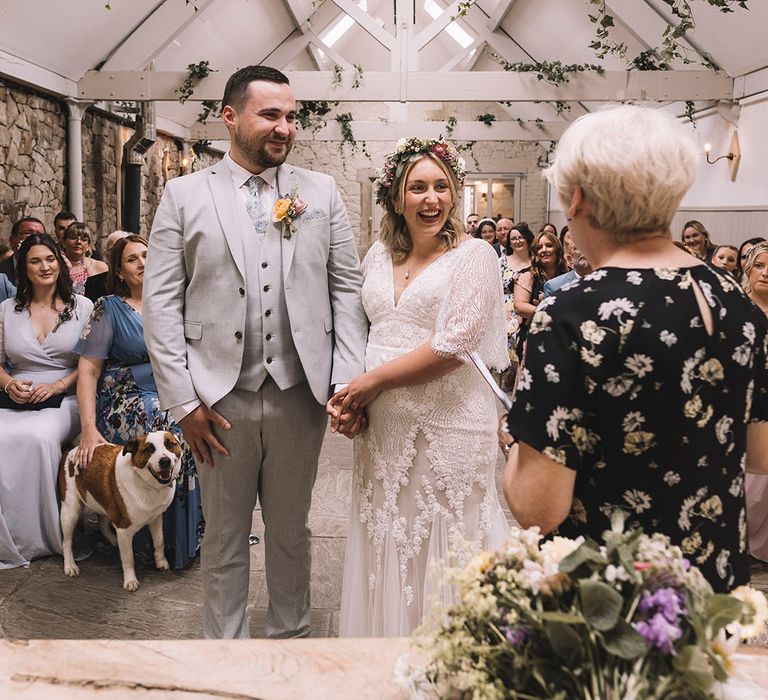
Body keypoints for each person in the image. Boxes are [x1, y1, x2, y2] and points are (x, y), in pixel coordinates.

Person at [501, 105, 768, 593]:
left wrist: (514, 443)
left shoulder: (569, 314)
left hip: (611, 598)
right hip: (712, 581)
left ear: (578, 198)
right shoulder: (735, 301)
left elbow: (539, 507)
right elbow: (761, 453)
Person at [142, 65, 368, 640]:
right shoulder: (183, 195)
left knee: (293, 531)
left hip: (301, 396)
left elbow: (346, 289)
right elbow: (161, 303)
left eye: (291, 116)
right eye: (270, 114)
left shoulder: (319, 193)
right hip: (219, 401)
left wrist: (345, 381)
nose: (285, 127)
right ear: (230, 117)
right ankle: (228, 658)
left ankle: (291, 647)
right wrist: (184, 403)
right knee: (223, 536)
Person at [330, 138, 509, 637]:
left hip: (451, 422)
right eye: (418, 187)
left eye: (441, 187)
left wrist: (369, 383)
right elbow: (363, 330)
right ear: (396, 197)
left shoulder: (475, 256)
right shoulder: (378, 253)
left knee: (447, 535)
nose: (431, 199)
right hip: (384, 424)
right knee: (387, 527)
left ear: (455, 195)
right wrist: (351, 395)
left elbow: (454, 345)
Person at [75, 235, 203, 569]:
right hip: (126, 397)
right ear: (118, 271)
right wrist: (88, 428)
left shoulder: (173, 301)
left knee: (205, 415)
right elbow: (88, 371)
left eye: (146, 255)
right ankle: (152, 541)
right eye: (132, 259)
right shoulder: (109, 308)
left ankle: (196, 533)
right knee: (175, 425)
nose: (142, 263)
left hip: (172, 388)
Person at [0, 233, 93, 569]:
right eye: (35, 261)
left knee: (38, 438)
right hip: (17, 396)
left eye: (50, 259)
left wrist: (57, 385)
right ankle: (6, 535)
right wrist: (10, 384)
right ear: (23, 269)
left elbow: (90, 366)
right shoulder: (7, 310)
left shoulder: (82, 308)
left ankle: (42, 534)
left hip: (68, 396)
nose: (45, 267)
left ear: (60, 262)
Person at [741, 242, 768, 560]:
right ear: (748, 270)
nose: (766, 272)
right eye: (760, 265)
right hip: (746, 401)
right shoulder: (736, 310)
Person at [512, 230, 567, 362]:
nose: (544, 250)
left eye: (549, 245)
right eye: (539, 247)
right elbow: (519, 306)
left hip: (563, 336)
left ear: (557, 249)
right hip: (534, 336)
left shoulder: (568, 275)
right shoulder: (528, 276)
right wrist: (552, 315)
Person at [499, 222, 532, 382]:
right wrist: (500, 311)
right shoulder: (503, 261)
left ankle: (518, 372)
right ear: (509, 242)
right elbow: (493, 288)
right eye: (514, 239)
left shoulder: (535, 262)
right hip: (503, 310)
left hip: (526, 309)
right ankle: (508, 371)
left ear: (527, 239)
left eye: (521, 237)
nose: (518, 241)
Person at [60, 222, 108, 297]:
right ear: (64, 242)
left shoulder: (100, 267)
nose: (78, 242)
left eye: (84, 239)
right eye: (73, 238)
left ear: (88, 245)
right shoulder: (57, 265)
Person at [0, 216, 46, 285]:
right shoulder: (2, 269)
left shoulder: (49, 269)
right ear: (12, 240)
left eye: (40, 235)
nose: (35, 238)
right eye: (28, 233)